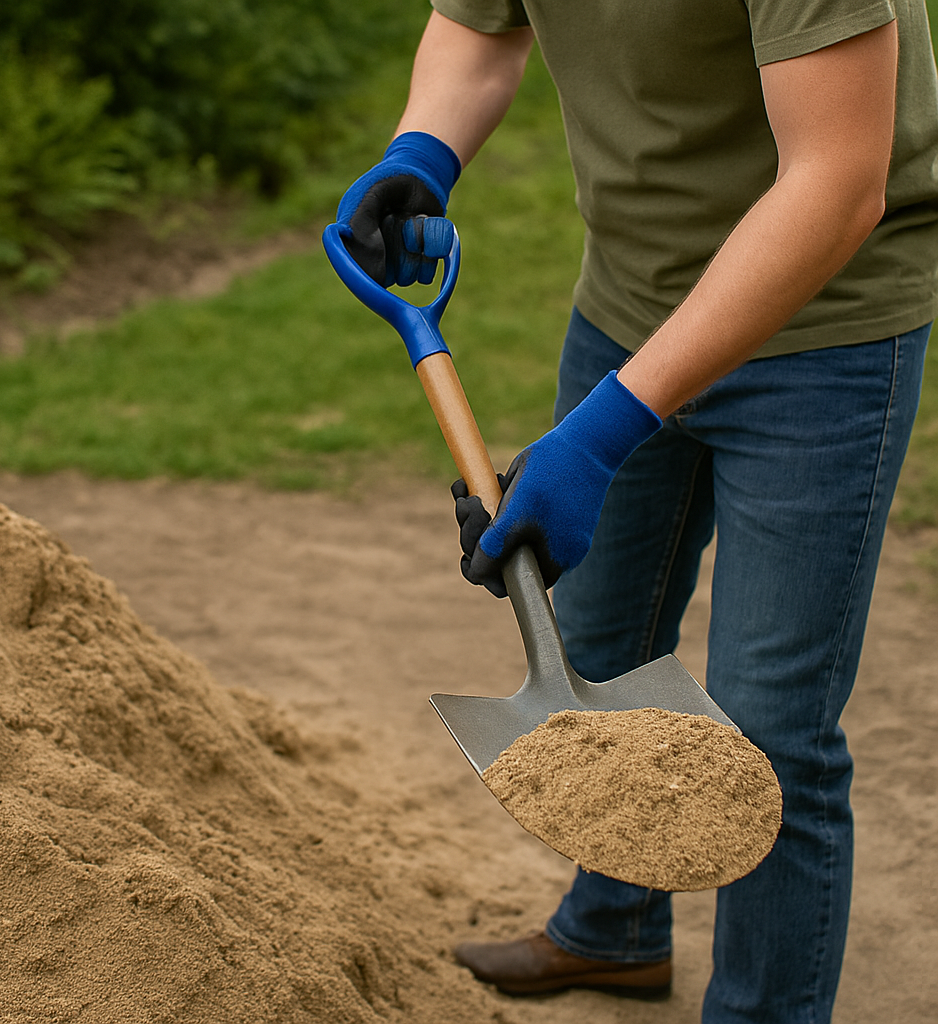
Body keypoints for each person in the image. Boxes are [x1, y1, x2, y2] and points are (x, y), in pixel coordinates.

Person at [333, 2, 938, 1021]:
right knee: (602, 642)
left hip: (822, 333)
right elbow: (480, 27)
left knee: (769, 728)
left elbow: (837, 183)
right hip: (629, 296)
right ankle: (612, 928)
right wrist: (422, 151)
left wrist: (605, 429)